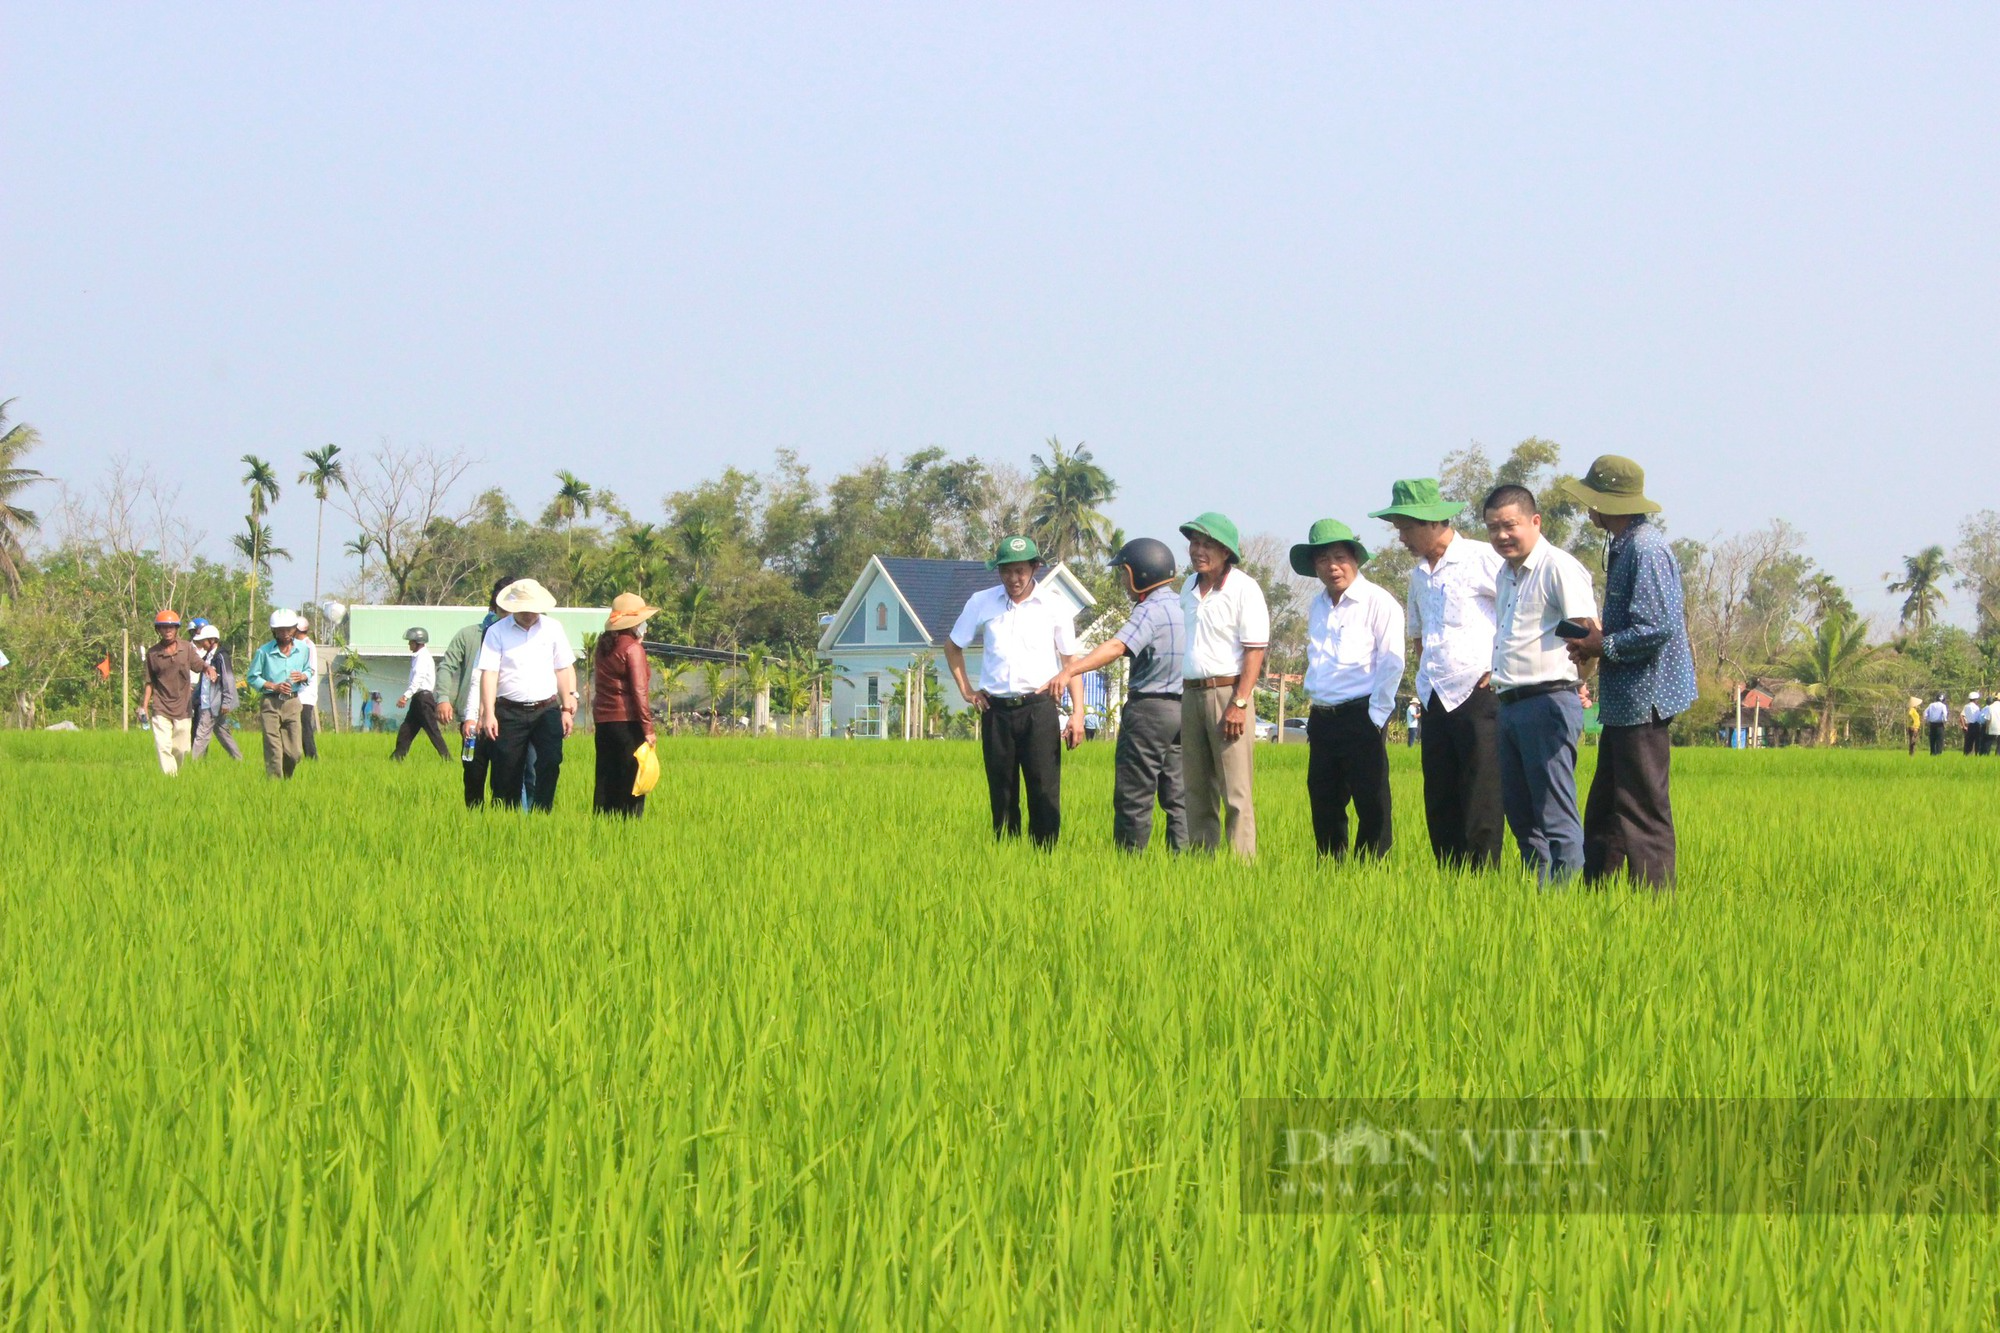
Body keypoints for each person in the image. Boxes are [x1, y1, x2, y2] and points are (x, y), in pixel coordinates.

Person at [1559, 457, 1698, 890]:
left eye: (1592, 499)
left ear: (1607, 502)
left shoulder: (1646, 548)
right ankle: (1595, 894)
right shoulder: (1624, 544)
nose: (1588, 508)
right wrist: (1594, 637)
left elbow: (1658, 627)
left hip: (1645, 698)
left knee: (1642, 809)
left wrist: (1604, 644)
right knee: (1606, 807)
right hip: (1625, 701)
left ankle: (1655, 905)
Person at [1372, 476, 1508, 871]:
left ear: (1433, 523)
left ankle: (1483, 883)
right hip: (1433, 697)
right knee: (1440, 795)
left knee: (1481, 795)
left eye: (1406, 528)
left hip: (1479, 694)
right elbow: (1418, 634)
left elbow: (1518, 612)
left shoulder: (1483, 559)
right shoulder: (1418, 575)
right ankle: (1450, 880)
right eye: (1398, 529)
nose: (1401, 538)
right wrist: (1426, 675)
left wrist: (1498, 667)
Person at [1485, 485, 1598, 884]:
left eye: (1510, 525)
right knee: (1521, 814)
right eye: (1493, 528)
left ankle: (1565, 905)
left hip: (1547, 701)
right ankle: (1538, 899)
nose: (1502, 535)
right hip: (1510, 704)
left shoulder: (1559, 567)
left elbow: (1587, 635)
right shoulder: (1504, 574)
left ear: (1535, 521)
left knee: (1554, 813)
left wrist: (1576, 685)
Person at [1044, 537, 1188, 852]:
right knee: (1179, 798)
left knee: (1134, 795)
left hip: (1149, 712)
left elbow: (1116, 646)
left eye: (1124, 573)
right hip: (1185, 711)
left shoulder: (1149, 610)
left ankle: (1128, 865)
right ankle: (1185, 866)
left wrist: (1071, 670)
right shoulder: (1184, 606)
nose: (1123, 582)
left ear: (1141, 574)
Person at [943, 534, 1084, 846]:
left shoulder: (1054, 605)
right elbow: (952, 647)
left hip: (1039, 708)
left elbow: (1071, 662)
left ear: (1034, 568)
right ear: (998, 571)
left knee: (1044, 789)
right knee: (1002, 791)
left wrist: (1078, 713)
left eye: (1021, 570)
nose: (1014, 578)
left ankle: (1044, 858)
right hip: (996, 711)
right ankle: (1006, 859)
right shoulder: (982, 602)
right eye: (1006, 571)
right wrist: (968, 691)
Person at [1293, 519, 1404, 860]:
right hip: (1323, 715)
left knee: (1371, 800)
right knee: (1323, 797)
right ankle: (1331, 871)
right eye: (1323, 559)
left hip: (1362, 713)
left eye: (1339, 557)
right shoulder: (1318, 605)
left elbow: (1392, 661)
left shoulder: (1377, 601)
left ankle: (1371, 871)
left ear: (1355, 559)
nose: (1332, 566)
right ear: (1315, 566)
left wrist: (1376, 715)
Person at [1178, 512, 1269, 857]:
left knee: (1235, 790)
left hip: (1228, 694)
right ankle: (1202, 863)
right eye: (1195, 543)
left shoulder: (1244, 588)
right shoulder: (1188, 586)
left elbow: (1255, 650)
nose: (1199, 551)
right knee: (1196, 788)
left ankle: (1241, 868)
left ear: (1226, 552)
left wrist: (1240, 702)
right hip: (1192, 693)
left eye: (1208, 545)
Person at [477, 578, 580, 812]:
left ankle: (542, 813)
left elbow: (563, 668)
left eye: (533, 610)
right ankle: (508, 819)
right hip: (509, 711)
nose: (529, 615)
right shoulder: (496, 632)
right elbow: (489, 674)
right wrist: (489, 713)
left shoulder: (553, 628)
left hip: (546, 709)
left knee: (551, 761)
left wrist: (566, 707)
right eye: (523, 610)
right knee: (507, 769)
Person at [437, 576, 515, 807]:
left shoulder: (525, 636)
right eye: (503, 607)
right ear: (493, 606)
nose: (509, 614)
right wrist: (443, 699)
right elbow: (447, 667)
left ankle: (502, 822)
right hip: (473, 721)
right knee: (473, 773)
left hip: (510, 719)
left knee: (505, 778)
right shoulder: (469, 635)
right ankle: (474, 820)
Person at [593, 593, 659, 816]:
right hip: (628, 723)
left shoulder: (603, 646)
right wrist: (648, 730)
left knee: (606, 778)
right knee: (632, 781)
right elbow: (639, 692)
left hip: (604, 723)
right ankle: (629, 828)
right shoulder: (632, 649)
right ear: (635, 623)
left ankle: (603, 825)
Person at [140, 608, 211, 775]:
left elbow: (199, 665)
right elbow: (149, 682)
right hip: (161, 706)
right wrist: (144, 706)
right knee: (163, 746)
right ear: (158, 630)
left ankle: (175, 774)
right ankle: (169, 780)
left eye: (171, 627)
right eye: (163, 627)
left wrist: (209, 668)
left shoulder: (186, 648)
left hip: (183, 706)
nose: (167, 631)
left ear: (177, 629)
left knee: (180, 748)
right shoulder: (153, 654)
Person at [245, 608, 314, 779]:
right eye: (280, 630)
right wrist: (274, 687)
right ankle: (274, 785)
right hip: (270, 703)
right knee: (273, 748)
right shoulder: (264, 651)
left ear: (294, 629)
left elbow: (309, 670)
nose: (285, 634)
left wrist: (304, 676)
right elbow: (253, 677)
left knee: (295, 752)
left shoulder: (303, 649)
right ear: (273, 631)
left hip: (292, 703)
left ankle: (286, 777)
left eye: (288, 629)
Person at [392, 626, 450, 759]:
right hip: (418, 699)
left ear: (417, 642)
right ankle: (397, 758)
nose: (408, 644)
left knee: (433, 731)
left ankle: (447, 759)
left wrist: (405, 696)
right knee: (406, 731)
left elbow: (418, 679)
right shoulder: (418, 656)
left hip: (423, 699)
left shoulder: (422, 657)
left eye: (410, 641)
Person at [189, 622, 242, 760]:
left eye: (204, 641)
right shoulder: (207, 657)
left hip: (215, 703)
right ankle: (239, 759)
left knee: (201, 735)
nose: (202, 644)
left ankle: (193, 764)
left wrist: (226, 702)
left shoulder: (221, 656)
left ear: (213, 640)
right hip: (207, 702)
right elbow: (204, 682)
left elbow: (228, 680)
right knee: (222, 733)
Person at [293, 615, 321, 759]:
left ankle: (312, 756)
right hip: (298, 693)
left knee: (305, 727)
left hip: (305, 694)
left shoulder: (307, 645)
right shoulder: (299, 644)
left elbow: (309, 670)